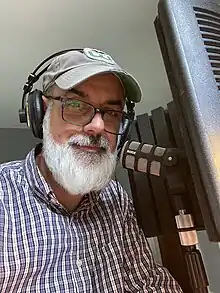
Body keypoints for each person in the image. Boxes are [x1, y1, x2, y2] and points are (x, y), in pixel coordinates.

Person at [0, 48, 182, 292]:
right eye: (76, 104)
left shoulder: (114, 197)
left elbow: (147, 283)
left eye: (112, 113)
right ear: (41, 113)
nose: (98, 126)